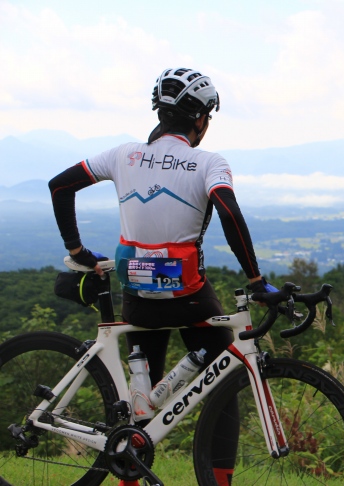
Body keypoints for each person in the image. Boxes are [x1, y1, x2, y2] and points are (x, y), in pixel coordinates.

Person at [49, 67, 271, 486]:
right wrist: (257, 282)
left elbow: (59, 187)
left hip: (136, 294)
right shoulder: (209, 162)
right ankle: (218, 481)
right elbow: (229, 213)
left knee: (139, 402)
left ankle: (128, 476)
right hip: (188, 296)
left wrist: (77, 252)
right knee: (223, 379)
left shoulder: (122, 154)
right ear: (201, 119)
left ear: (161, 111)